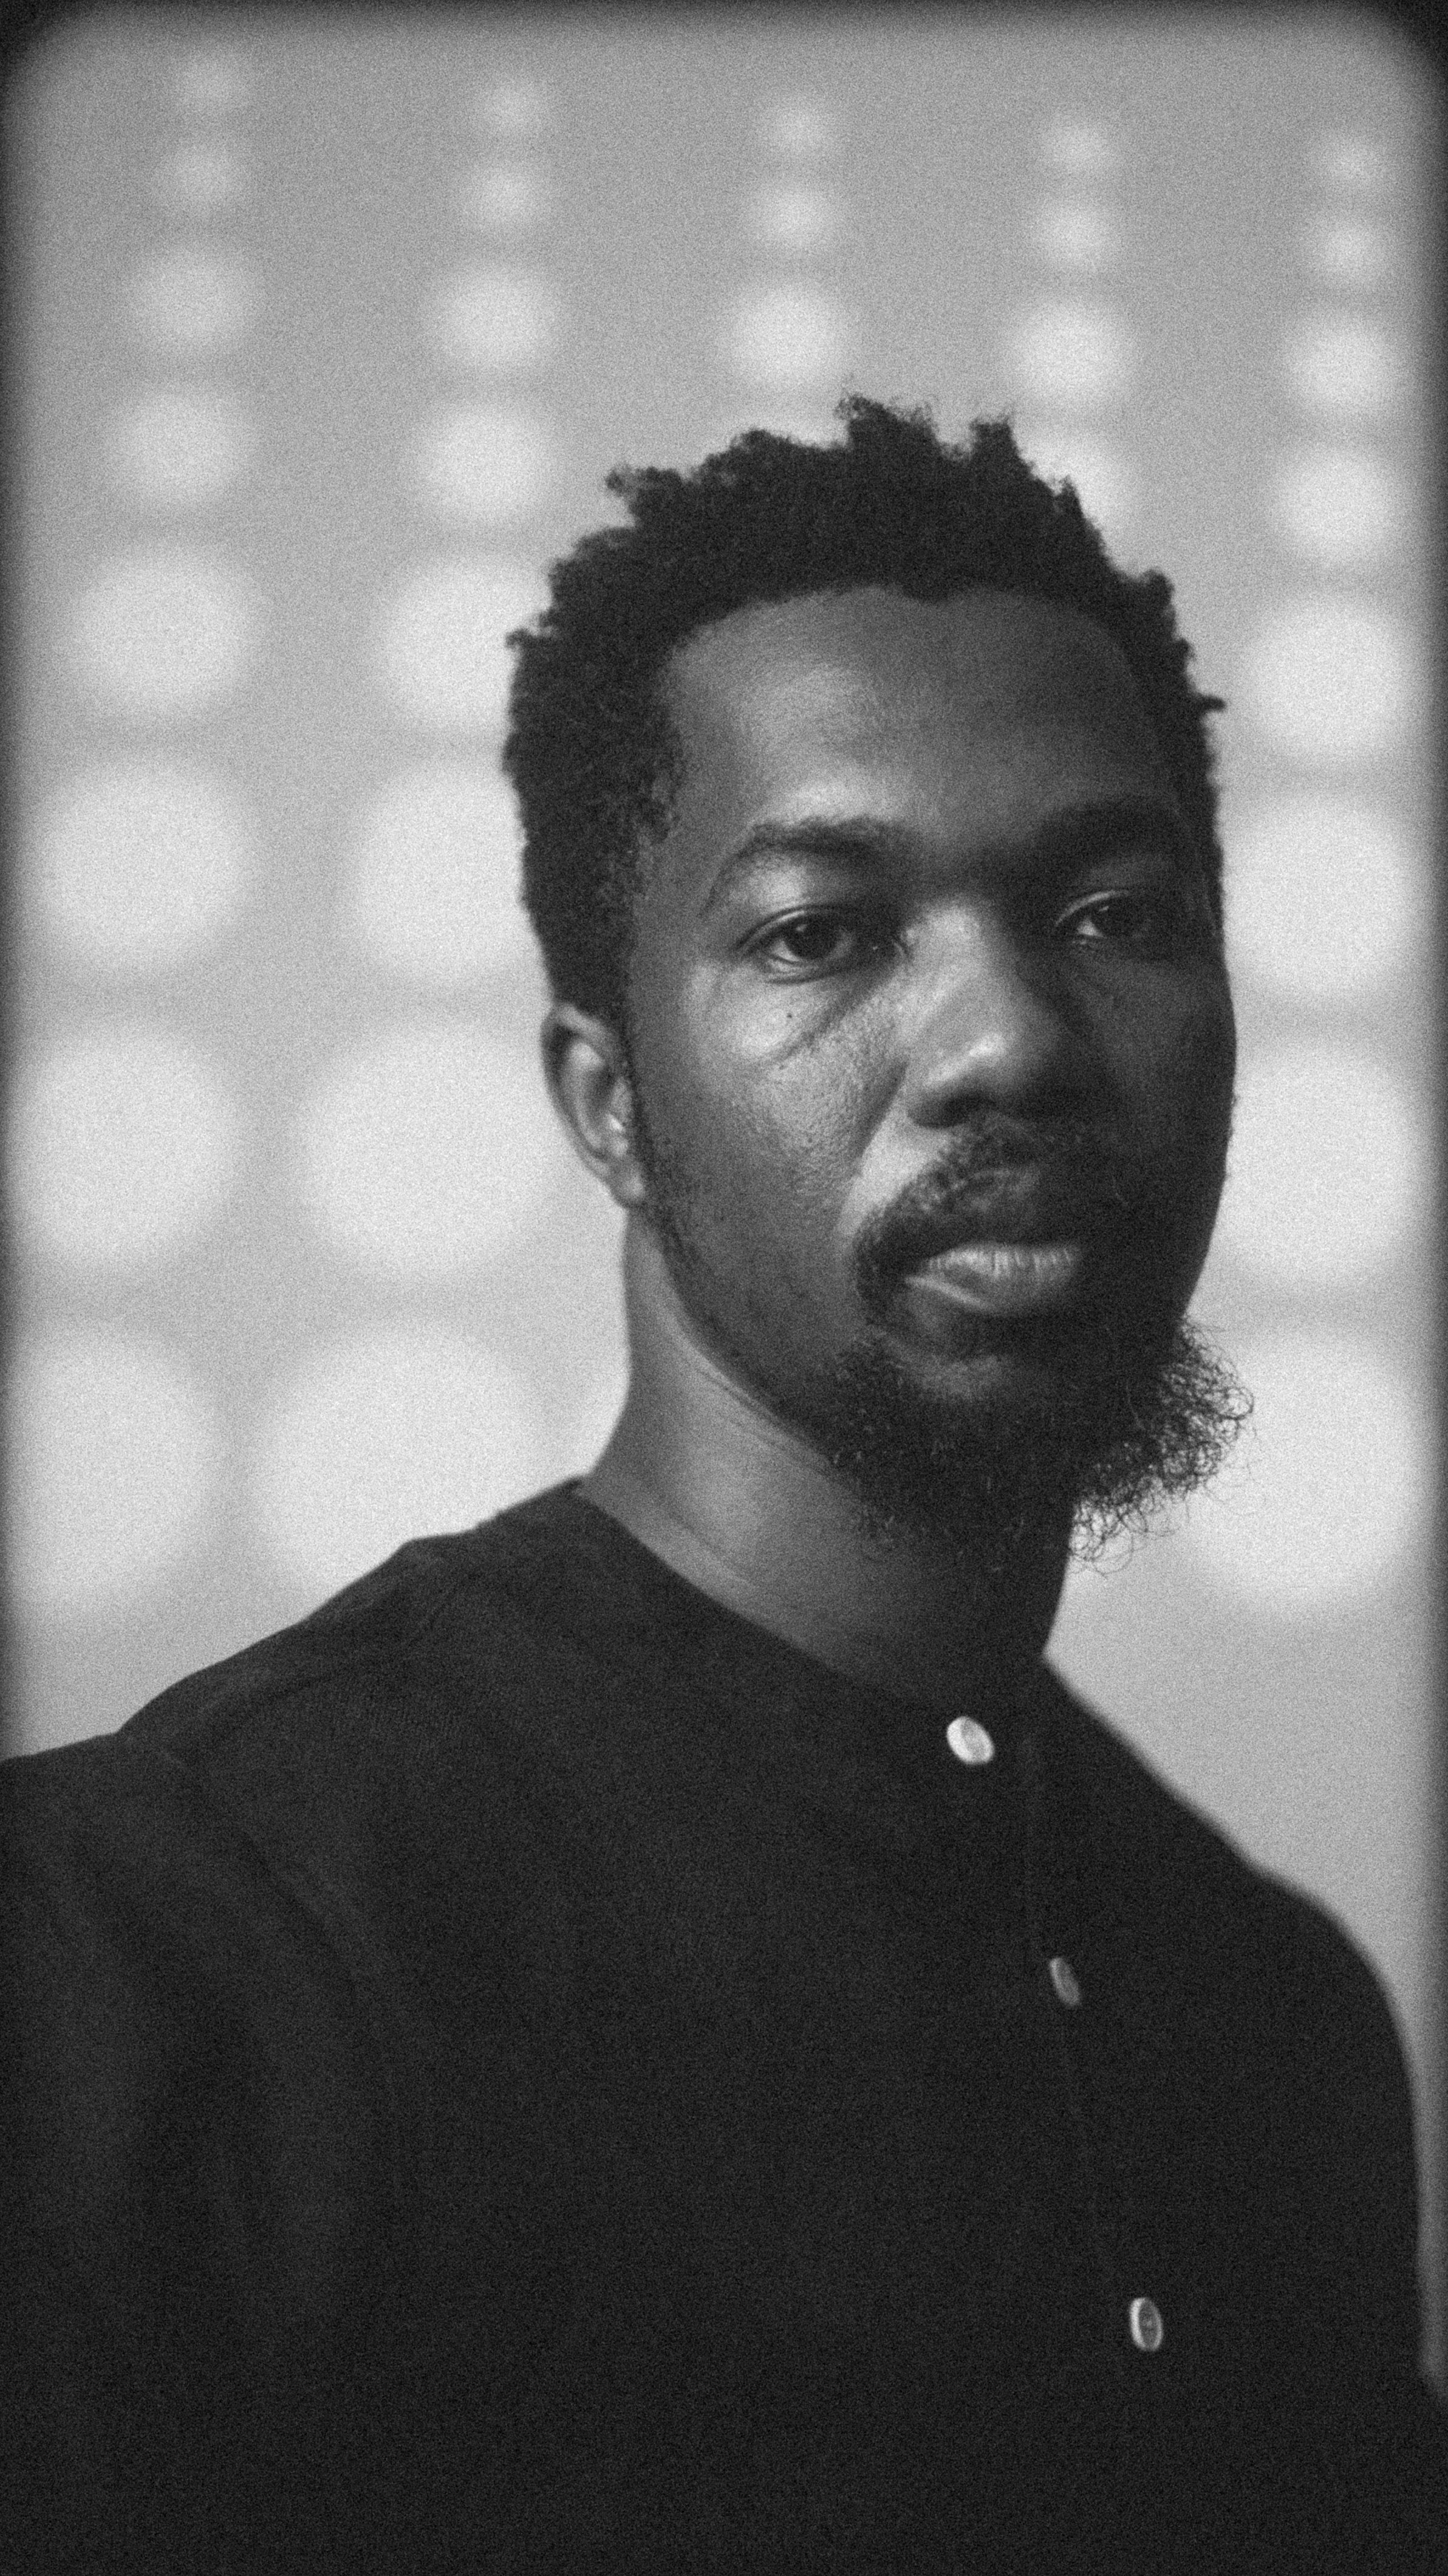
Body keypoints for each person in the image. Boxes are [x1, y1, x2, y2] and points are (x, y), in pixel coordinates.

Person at [3, 398, 1444, 2575]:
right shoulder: (150, 1953)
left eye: (1114, 909)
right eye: (819, 934)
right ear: (609, 1103)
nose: (1009, 1041)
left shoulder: (1277, 2023)